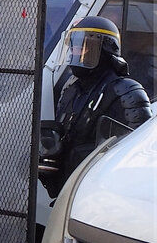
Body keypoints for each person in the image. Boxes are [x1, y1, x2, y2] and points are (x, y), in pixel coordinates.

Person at [39, 16, 153, 198]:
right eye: (74, 47)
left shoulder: (127, 91)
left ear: (105, 49)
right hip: (69, 192)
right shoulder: (72, 89)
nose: (76, 52)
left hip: (101, 196)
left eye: (83, 47)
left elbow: (137, 157)